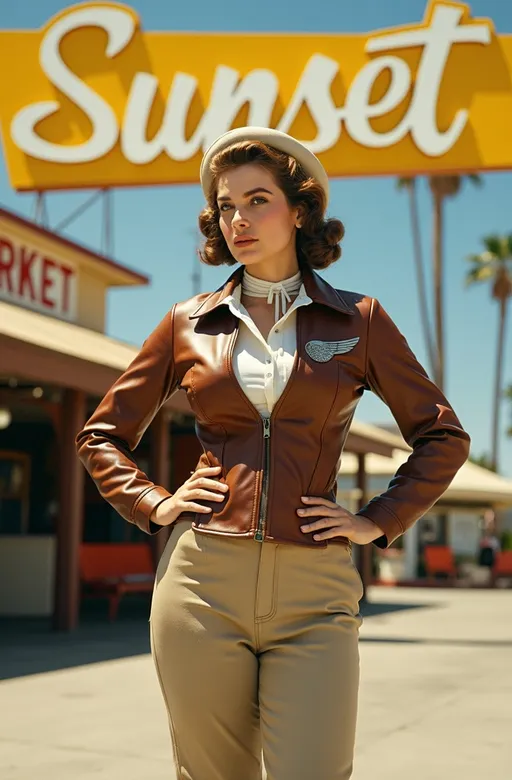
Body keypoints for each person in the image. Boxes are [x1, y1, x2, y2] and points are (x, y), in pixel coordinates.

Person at [76, 126, 471, 780]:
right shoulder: (187, 323)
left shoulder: (359, 321)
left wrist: (378, 519)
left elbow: (442, 435)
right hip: (202, 582)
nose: (238, 218)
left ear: (299, 210)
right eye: (225, 206)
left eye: (257, 200)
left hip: (316, 588)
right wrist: (155, 502)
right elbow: (102, 434)